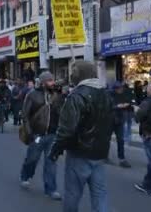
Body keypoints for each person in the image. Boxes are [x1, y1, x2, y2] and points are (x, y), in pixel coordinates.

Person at [49, 60, 114, 212]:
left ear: (78, 75)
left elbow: (66, 129)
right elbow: (112, 122)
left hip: (79, 153)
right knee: (100, 194)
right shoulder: (106, 95)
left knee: (73, 194)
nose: (70, 76)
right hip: (100, 153)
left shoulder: (77, 96)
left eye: (73, 73)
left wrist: (55, 150)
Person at [19, 71, 63, 200]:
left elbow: (61, 112)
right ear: (43, 83)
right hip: (37, 134)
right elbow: (25, 116)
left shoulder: (56, 95)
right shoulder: (32, 95)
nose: (52, 82)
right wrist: (30, 133)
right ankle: (25, 176)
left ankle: (51, 189)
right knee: (32, 159)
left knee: (51, 163)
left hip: (53, 134)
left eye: (52, 80)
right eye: (49, 81)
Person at [133, 82, 151, 200]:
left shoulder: (147, 103)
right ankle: (147, 184)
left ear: (150, 91)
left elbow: (137, 118)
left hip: (150, 136)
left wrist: (136, 111)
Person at [110, 81, 132, 168]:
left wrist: (128, 105)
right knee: (106, 138)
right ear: (115, 89)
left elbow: (129, 102)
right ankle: (103, 156)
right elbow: (107, 106)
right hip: (110, 120)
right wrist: (117, 106)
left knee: (120, 140)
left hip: (119, 120)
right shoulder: (109, 95)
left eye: (121, 88)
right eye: (119, 88)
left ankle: (122, 159)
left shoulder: (123, 95)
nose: (121, 89)